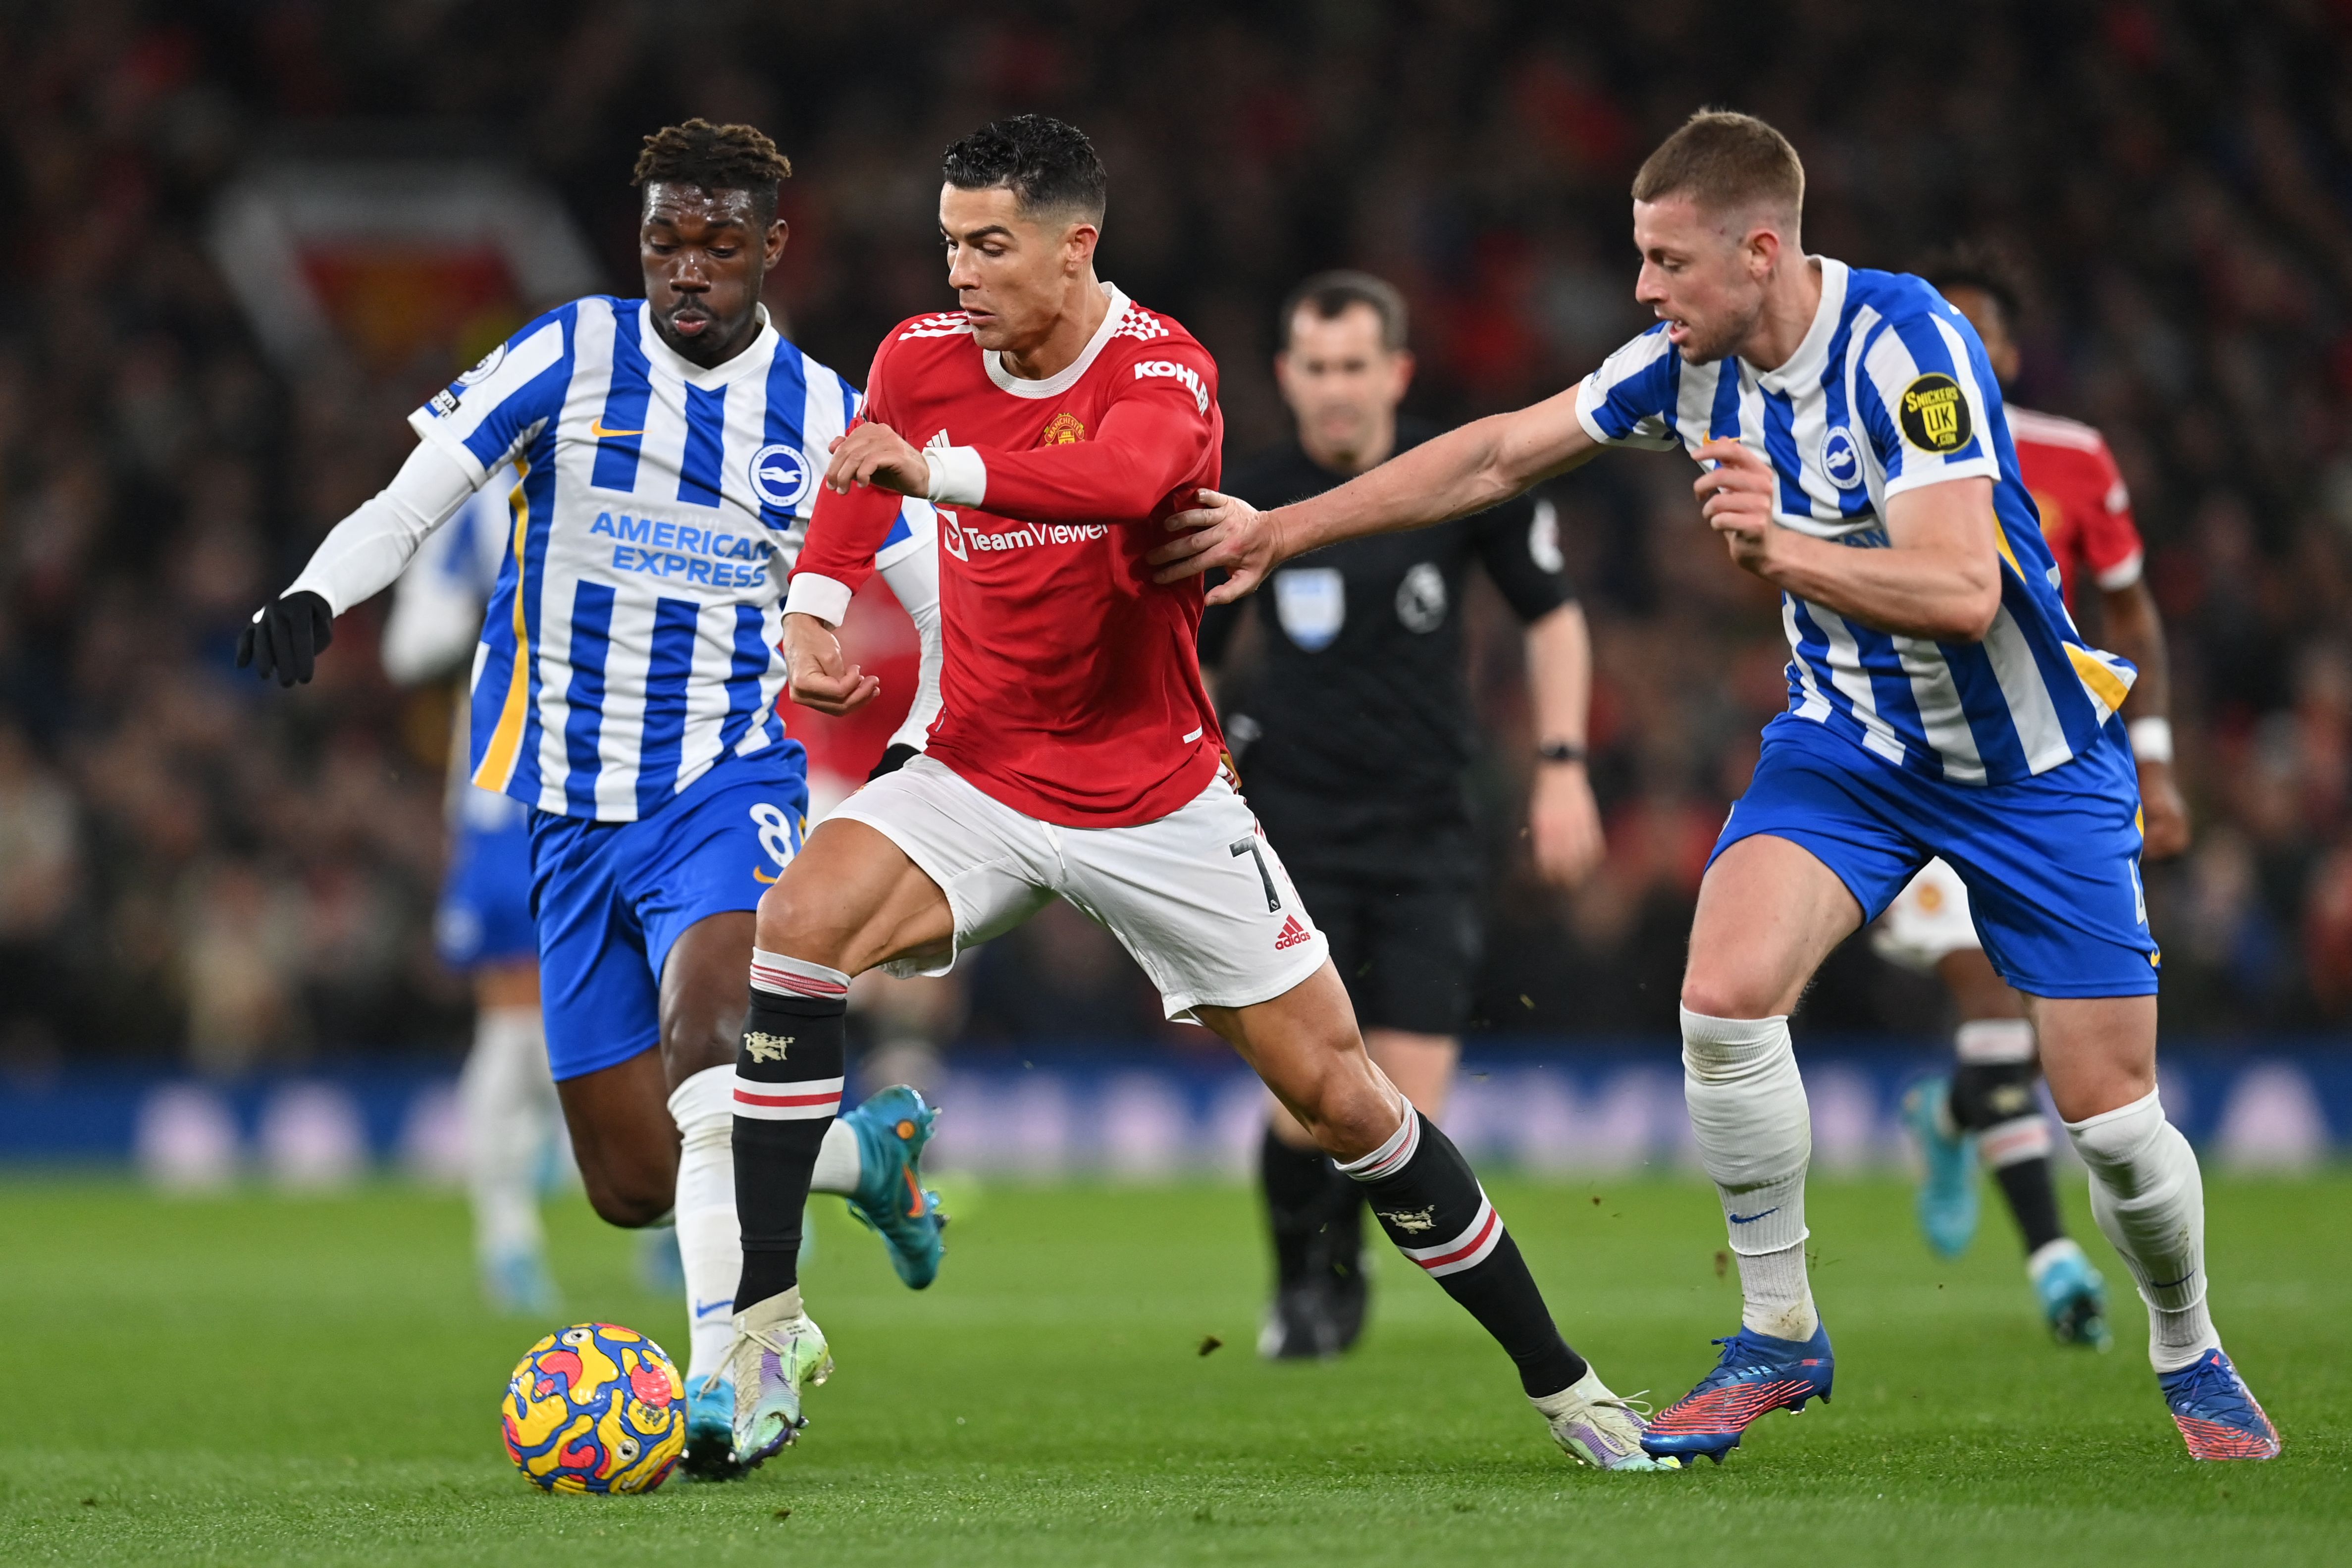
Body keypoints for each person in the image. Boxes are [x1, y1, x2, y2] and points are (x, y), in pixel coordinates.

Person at [1153, 110, 2279, 1464]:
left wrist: (1781, 553)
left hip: (2033, 765)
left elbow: (1962, 588)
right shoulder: (1685, 364)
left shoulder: (1907, 348)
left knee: (2107, 1115)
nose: (1640, 288)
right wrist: (1285, 526)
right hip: (1851, 749)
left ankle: (2184, 1339)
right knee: (1723, 991)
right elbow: (1497, 452)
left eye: (1663, 260)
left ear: (1758, 251)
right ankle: (1776, 1333)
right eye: (1637, 259)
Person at [733, 114, 1671, 1475]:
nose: (961, 273)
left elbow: (1119, 482)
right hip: (979, 766)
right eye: (949, 243)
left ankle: (1564, 1381)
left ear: (1074, 248)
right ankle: (765, 1325)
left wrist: (934, 473)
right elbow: (859, 478)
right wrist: (817, 604)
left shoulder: (1165, 367)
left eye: (990, 245)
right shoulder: (921, 356)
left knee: (1345, 1102)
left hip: (1152, 790)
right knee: (794, 925)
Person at [236, 119, 952, 1480]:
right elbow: (415, 498)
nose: (688, 268)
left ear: (770, 247)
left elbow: (930, 597)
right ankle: (869, 1155)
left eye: (718, 244)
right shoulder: (568, 354)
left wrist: (923, 746)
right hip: (562, 813)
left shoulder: (822, 413)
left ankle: (732, 1381)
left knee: (715, 1049)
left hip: (722, 785)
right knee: (631, 1174)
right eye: (665, 241)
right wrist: (317, 591)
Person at [1199, 270, 1605, 1359]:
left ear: (1395, 372)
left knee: (1402, 1100)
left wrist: (1562, 765)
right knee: (1306, 1103)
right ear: (1287, 377)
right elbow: (1185, 659)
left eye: (1354, 367)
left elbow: (1552, 618)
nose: (1335, 390)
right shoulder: (1249, 497)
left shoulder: (1456, 478)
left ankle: (1336, 1270)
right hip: (1288, 831)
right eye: (1315, 369)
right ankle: (1304, 1280)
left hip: (1428, 828)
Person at [1874, 244, 2195, 1350]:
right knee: (1984, 995)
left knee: (2033, 1039)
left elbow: (2129, 613)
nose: (1952, 348)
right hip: (1911, 767)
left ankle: (1953, 1111)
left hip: (2041, 771)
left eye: (1976, 331)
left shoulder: (2071, 457)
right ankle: (2055, 1259)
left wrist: (2152, 758)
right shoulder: (1870, 447)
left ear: (2004, 350)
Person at [379, 462, 569, 1316]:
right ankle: (507, 1238)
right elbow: (409, 644)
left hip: (646, 783)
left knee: (652, 1000)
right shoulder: (484, 505)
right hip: (511, 789)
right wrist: (505, 617)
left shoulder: (662, 467)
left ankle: (673, 1219)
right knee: (517, 1013)